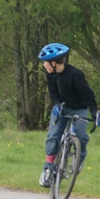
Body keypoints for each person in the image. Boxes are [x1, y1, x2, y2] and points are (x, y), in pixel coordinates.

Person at [38, 43, 98, 187]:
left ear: (54, 62)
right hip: (62, 108)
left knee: (81, 136)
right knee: (53, 136)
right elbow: (53, 93)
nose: (43, 65)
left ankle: (80, 158)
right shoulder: (50, 74)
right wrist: (57, 105)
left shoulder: (75, 75)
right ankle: (47, 170)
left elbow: (88, 95)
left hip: (79, 109)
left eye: (45, 62)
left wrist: (95, 112)